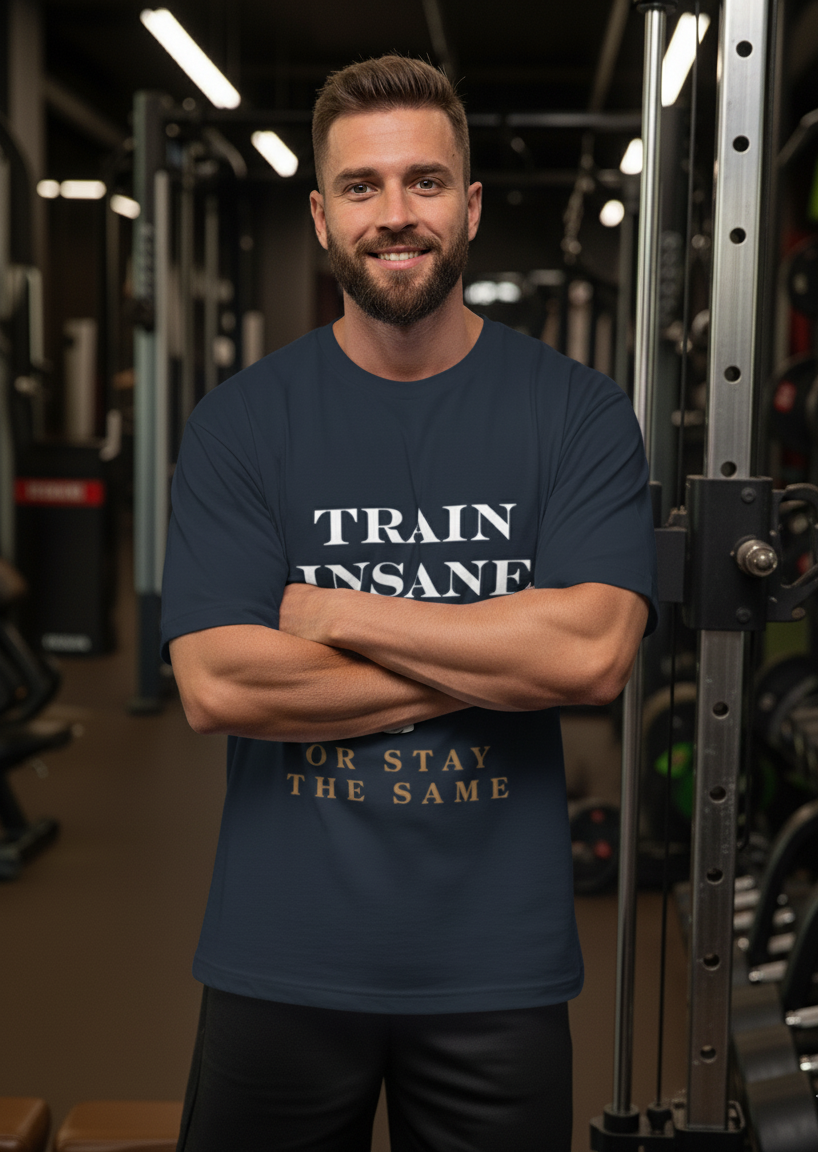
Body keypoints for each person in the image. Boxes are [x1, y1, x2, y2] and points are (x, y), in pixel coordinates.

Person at [163, 54, 658, 1152]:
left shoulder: (573, 413)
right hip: (280, 956)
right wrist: (494, 652)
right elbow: (216, 681)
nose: (396, 214)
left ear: (470, 207)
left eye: (425, 182)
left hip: (496, 970)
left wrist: (333, 611)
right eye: (362, 187)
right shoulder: (243, 423)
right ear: (321, 215)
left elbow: (585, 660)